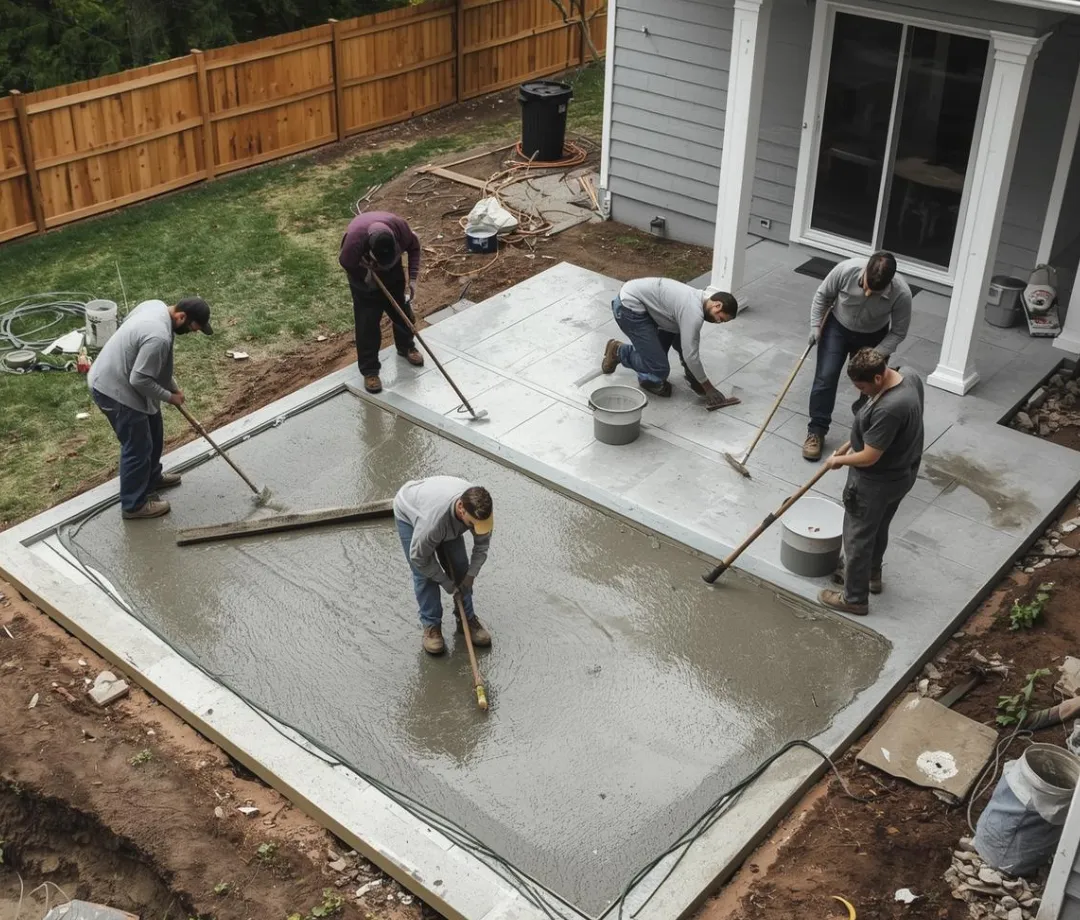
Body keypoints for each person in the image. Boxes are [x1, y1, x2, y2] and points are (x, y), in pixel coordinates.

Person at [818, 348, 924, 616]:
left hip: (875, 483)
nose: (861, 392)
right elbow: (880, 436)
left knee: (857, 537)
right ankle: (872, 576)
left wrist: (838, 461)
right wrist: (851, 443)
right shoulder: (908, 376)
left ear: (878, 378)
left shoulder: (889, 408)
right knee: (878, 527)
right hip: (902, 474)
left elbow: (870, 456)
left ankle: (854, 598)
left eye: (862, 387)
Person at [88, 297, 213, 520]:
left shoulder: (156, 306)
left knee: (154, 429)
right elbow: (139, 380)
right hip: (114, 388)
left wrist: (173, 388)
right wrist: (168, 397)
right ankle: (134, 505)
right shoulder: (159, 337)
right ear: (181, 317)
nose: (195, 332)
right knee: (138, 446)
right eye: (194, 327)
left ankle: (152, 477)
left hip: (124, 374)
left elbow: (157, 365)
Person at [802, 252, 912, 461]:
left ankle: (864, 437)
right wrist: (816, 326)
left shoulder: (902, 294)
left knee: (870, 387)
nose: (869, 293)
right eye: (865, 286)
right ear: (864, 272)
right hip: (837, 327)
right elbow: (822, 295)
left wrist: (876, 354)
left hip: (874, 336)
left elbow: (898, 332)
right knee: (826, 376)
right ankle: (816, 430)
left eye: (876, 292)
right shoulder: (846, 270)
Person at [600, 277, 740, 408]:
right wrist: (708, 387)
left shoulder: (696, 299)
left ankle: (650, 375)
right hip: (629, 308)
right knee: (659, 368)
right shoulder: (693, 313)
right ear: (717, 305)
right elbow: (690, 355)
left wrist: (697, 381)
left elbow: (682, 345)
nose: (718, 322)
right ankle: (618, 351)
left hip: (643, 303)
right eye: (720, 318)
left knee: (673, 343)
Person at [393, 476, 494, 655]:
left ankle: (467, 620)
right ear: (461, 508)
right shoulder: (431, 524)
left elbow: (482, 547)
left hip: (443, 510)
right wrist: (447, 584)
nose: (475, 529)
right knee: (424, 576)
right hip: (410, 509)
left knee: (461, 567)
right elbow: (420, 559)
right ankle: (432, 626)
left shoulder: (482, 511)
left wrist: (470, 575)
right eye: (472, 525)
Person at [339, 210, 424, 395]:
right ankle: (370, 370)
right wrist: (366, 274)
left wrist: (413, 279)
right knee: (367, 323)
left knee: (401, 311)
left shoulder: (401, 230)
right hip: (364, 278)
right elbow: (345, 262)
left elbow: (414, 247)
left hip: (393, 274)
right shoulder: (354, 241)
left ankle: (406, 346)